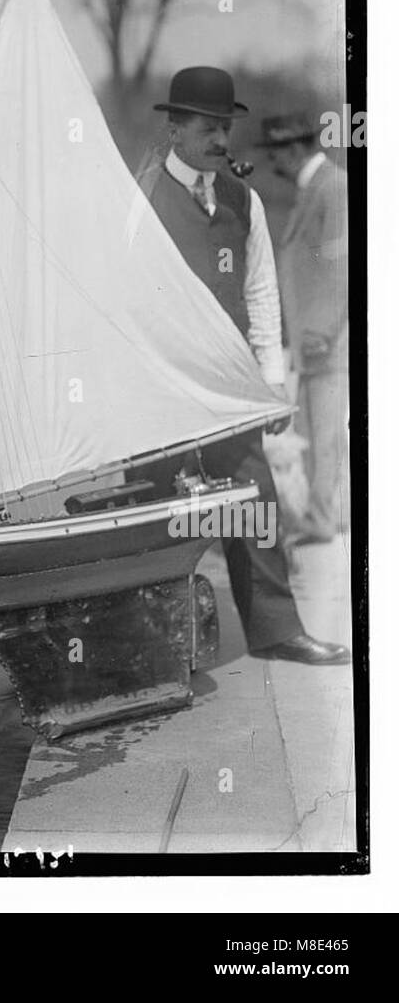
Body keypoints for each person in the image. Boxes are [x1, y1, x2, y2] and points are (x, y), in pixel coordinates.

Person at [132, 67, 349, 666]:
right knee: (157, 516)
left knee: (256, 499)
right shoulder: (141, 200)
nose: (221, 140)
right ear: (175, 128)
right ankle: (152, 650)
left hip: (232, 391)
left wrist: (272, 384)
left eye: (226, 127)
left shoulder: (243, 198)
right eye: (208, 127)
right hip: (165, 390)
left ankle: (278, 631)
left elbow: (259, 293)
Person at [257, 112, 349, 545]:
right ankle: (332, 514)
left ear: (294, 149)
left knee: (323, 434)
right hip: (315, 338)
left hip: (326, 340)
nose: (272, 160)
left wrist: (323, 331)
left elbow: (343, 267)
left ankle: (322, 520)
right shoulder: (313, 189)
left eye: (275, 151)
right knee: (321, 433)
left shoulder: (332, 188)